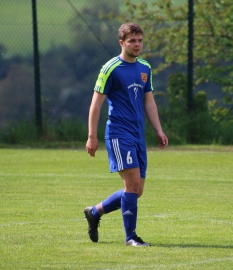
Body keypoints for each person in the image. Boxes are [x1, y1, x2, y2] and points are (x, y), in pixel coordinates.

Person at [84, 22, 168, 247]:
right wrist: (92, 136)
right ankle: (131, 237)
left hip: (138, 135)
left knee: (136, 191)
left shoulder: (145, 68)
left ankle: (95, 211)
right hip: (119, 133)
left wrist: (158, 130)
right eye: (132, 41)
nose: (137, 44)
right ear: (122, 43)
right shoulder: (110, 68)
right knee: (131, 187)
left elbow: (149, 102)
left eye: (140, 40)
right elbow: (96, 104)